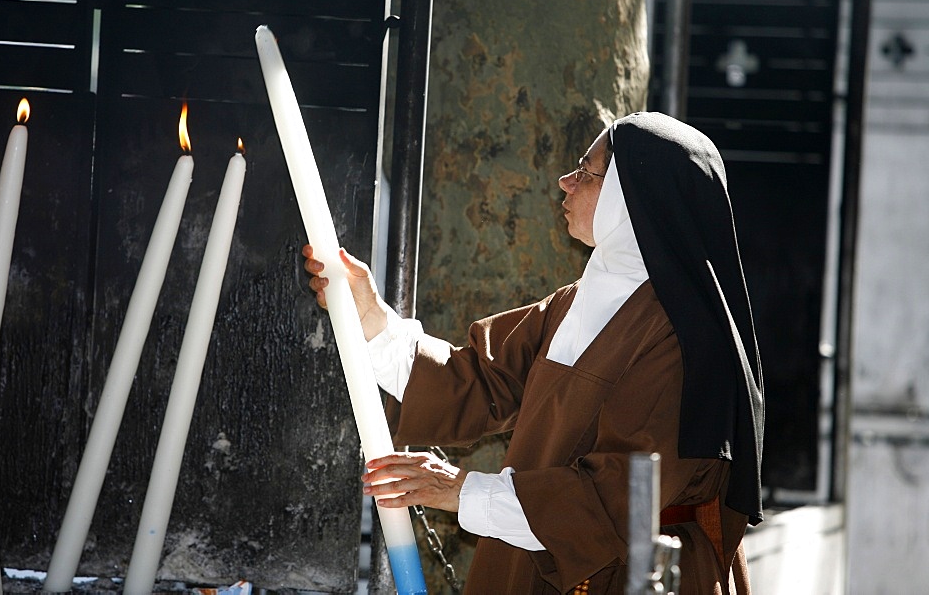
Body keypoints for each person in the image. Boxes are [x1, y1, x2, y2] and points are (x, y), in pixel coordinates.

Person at [303, 111, 764, 594]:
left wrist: (460, 490)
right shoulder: (576, 300)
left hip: (626, 576)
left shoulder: (681, 337)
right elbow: (478, 382)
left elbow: (621, 497)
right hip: (539, 556)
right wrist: (370, 313)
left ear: (635, 199)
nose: (565, 182)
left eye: (586, 172)